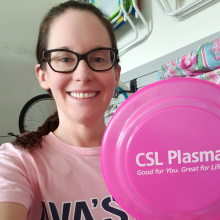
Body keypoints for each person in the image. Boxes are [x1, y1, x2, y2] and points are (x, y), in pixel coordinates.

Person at [0, 1, 136, 219]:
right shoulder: (17, 163)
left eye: (98, 58)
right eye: (64, 59)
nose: (83, 74)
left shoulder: (148, 154)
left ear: (116, 74)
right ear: (43, 75)